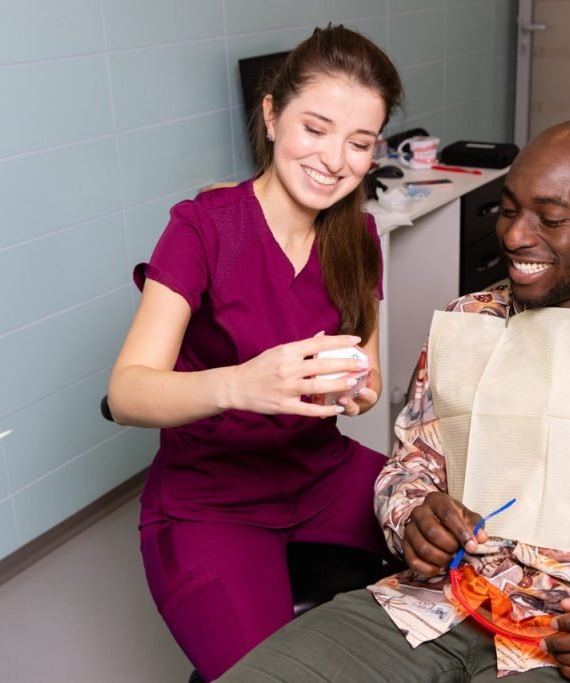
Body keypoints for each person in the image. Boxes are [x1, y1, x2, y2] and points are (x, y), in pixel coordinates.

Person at [217, 119, 570, 683]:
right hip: (430, 607)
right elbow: (410, 467)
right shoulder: (472, 324)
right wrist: (413, 516)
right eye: (510, 209)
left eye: (551, 218)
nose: (514, 236)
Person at [106, 25, 403, 680]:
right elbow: (126, 391)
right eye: (316, 129)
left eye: (359, 142)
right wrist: (241, 383)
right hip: (213, 498)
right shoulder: (202, 228)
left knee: (468, 563)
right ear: (271, 116)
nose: (334, 159)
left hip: (325, 474)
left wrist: (357, 388)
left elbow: (370, 379)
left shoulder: (359, 234)